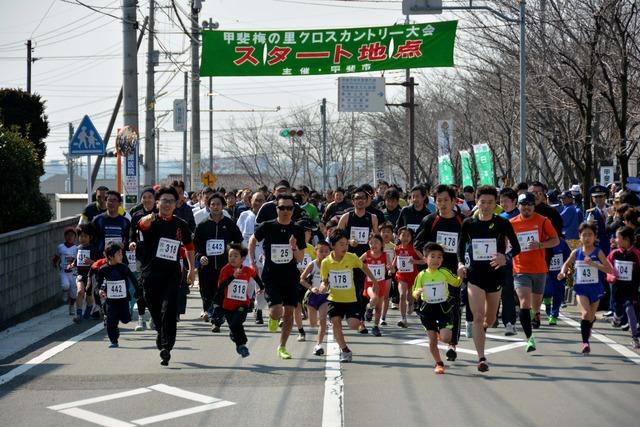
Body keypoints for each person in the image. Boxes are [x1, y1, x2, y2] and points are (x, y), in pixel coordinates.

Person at [457, 185, 521, 372]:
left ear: (496, 204)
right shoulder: (469, 223)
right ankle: (481, 358)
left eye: (490, 203)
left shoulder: (502, 223)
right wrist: (461, 264)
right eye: (482, 202)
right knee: (477, 316)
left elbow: (516, 247)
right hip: (475, 275)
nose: (486, 206)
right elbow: (460, 249)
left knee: (490, 318)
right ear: (477, 202)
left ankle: (484, 327)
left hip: (495, 275)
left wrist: (505, 258)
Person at [136, 186, 196, 366]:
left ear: (176, 204)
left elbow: (190, 247)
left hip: (172, 274)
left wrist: (192, 269)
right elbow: (142, 225)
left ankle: (166, 347)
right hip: (151, 273)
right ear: (157, 203)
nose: (168, 204)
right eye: (164, 201)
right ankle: (161, 334)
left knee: (169, 310)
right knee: (155, 310)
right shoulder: (151, 220)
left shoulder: (180, 224)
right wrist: (148, 218)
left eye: (171, 201)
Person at [249, 193, 306, 359]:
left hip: (290, 276)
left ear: (293, 210)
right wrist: (252, 262)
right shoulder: (268, 226)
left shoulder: (297, 229)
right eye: (282, 208)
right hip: (271, 276)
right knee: (276, 311)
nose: (286, 211)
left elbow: (301, 258)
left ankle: (282, 347)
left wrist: (294, 248)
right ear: (277, 209)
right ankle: (273, 318)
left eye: (289, 208)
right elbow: (252, 240)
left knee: (289, 312)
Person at [414, 184, 465, 359]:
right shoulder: (430, 220)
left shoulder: (462, 221)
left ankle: (452, 344)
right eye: (439, 201)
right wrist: (434, 249)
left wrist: (463, 264)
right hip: (432, 273)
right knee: (431, 305)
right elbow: (417, 243)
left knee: (454, 306)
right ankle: (433, 330)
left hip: (453, 271)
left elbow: (468, 245)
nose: (442, 204)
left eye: (445, 200)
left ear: (453, 201)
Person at [318, 229, 381, 362]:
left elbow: (364, 267)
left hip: (350, 299)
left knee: (353, 325)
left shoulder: (351, 257)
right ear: (333, 246)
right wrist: (323, 287)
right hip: (334, 299)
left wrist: (374, 281)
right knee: (336, 322)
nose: (345, 247)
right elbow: (325, 280)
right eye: (341, 244)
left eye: (346, 244)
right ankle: (345, 350)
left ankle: (364, 315)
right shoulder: (326, 262)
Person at [510, 192, 560, 352]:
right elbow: (504, 243)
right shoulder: (511, 223)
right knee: (524, 302)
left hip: (539, 269)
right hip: (520, 269)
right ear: (518, 206)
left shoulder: (543, 221)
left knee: (535, 305)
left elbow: (555, 240)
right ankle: (529, 338)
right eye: (523, 204)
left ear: (534, 206)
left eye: (530, 205)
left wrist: (540, 245)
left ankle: (536, 313)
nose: (526, 208)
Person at [558, 222, 614, 354]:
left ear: (595, 237)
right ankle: (585, 343)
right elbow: (566, 264)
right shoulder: (576, 252)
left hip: (595, 288)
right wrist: (562, 272)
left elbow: (609, 269)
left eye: (590, 235)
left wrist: (594, 264)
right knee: (585, 314)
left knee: (591, 316)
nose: (587, 238)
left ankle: (588, 325)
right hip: (581, 288)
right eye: (584, 235)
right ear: (580, 236)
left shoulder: (598, 252)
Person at [194, 192, 244, 330]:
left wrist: (234, 254)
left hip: (224, 266)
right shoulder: (202, 225)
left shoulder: (229, 223)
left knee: (220, 292)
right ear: (208, 206)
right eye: (212, 204)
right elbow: (196, 245)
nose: (215, 207)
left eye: (218, 204)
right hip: (206, 266)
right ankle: (211, 313)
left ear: (223, 206)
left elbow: (239, 240)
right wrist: (200, 257)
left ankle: (216, 320)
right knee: (207, 293)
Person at [413, 243, 462, 374]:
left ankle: (442, 332)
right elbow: (414, 291)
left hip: (443, 308)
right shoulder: (422, 275)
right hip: (427, 309)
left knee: (446, 338)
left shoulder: (444, 272)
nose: (436, 260)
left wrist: (461, 274)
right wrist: (417, 292)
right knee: (432, 339)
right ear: (425, 259)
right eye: (432, 256)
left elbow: (456, 282)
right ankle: (439, 363)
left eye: (439, 257)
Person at [338, 186, 379, 334]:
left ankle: (361, 319)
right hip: (349, 259)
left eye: (363, 198)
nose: (360, 201)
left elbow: (377, 239)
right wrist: (349, 242)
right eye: (357, 198)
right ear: (353, 201)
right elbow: (336, 237)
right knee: (352, 288)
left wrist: (372, 241)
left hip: (366, 259)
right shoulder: (346, 217)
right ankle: (348, 315)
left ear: (367, 200)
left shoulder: (372, 217)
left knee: (363, 289)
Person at [211, 243, 264, 357]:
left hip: (242, 304)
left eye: (235, 256)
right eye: (230, 256)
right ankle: (238, 342)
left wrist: (262, 287)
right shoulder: (225, 269)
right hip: (228, 306)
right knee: (234, 327)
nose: (232, 258)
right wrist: (233, 277)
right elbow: (221, 286)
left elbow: (255, 276)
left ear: (242, 258)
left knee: (236, 323)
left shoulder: (247, 270)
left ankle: (242, 345)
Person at [97, 242, 138, 348]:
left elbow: (134, 280)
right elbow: (99, 284)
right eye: (119, 254)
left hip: (123, 299)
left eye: (121, 254)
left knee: (126, 319)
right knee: (111, 320)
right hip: (110, 300)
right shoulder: (103, 269)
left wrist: (138, 290)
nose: (121, 256)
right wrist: (100, 291)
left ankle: (117, 321)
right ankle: (113, 340)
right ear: (110, 256)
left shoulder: (124, 268)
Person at [606, 226, 640, 348]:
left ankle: (635, 337)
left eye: (617, 237)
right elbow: (607, 268)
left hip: (631, 289)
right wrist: (610, 277)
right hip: (617, 289)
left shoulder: (636, 254)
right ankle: (616, 317)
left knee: (629, 308)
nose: (615, 240)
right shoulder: (614, 254)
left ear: (626, 240)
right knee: (619, 310)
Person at [129, 187, 157, 331]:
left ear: (155, 200)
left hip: (158, 257)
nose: (147, 200)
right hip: (141, 256)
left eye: (150, 197)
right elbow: (132, 234)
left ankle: (153, 317)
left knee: (155, 288)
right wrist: (132, 242)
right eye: (144, 197)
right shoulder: (137, 215)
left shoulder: (160, 215)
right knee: (141, 287)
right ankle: (141, 319)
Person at [236, 191, 266, 323]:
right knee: (247, 284)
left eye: (261, 200)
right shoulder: (244, 215)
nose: (258, 203)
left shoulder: (268, 217)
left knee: (261, 286)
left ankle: (258, 310)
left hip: (262, 257)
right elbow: (238, 236)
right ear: (250, 201)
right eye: (256, 200)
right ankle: (243, 306)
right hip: (247, 257)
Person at [300, 240, 331, 355]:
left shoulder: (331, 264)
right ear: (315, 252)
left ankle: (318, 345)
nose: (324, 254)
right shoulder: (312, 264)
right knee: (313, 323)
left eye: (326, 251)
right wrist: (311, 288)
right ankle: (318, 329)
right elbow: (302, 279)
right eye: (321, 251)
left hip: (325, 297)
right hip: (312, 296)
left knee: (322, 320)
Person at [393, 227, 425, 328]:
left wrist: (415, 261)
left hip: (413, 276)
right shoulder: (397, 248)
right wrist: (391, 268)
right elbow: (395, 260)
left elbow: (424, 260)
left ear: (411, 237)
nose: (405, 238)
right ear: (399, 236)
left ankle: (411, 304)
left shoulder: (414, 248)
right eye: (403, 235)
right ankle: (403, 318)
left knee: (410, 297)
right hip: (401, 276)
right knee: (402, 295)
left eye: (408, 235)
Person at [498, 187, 519, 336]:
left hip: (520, 260)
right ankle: (500, 320)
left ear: (515, 201)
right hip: (503, 259)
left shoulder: (522, 215)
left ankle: (510, 322)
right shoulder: (500, 218)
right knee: (503, 292)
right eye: (501, 201)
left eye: (506, 201)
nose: (503, 204)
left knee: (509, 292)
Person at [360, 234, 389, 336]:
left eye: (376, 242)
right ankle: (369, 308)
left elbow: (389, 266)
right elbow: (358, 262)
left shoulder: (385, 255)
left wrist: (390, 268)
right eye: (371, 243)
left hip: (381, 283)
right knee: (374, 298)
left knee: (379, 307)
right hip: (369, 283)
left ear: (381, 244)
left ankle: (375, 327)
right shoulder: (367, 254)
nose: (373, 245)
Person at [71, 224, 101, 323]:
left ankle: (89, 307)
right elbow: (77, 260)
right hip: (80, 274)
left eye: (85, 236)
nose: (82, 238)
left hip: (90, 275)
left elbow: (99, 263)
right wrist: (72, 264)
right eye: (81, 236)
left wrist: (92, 262)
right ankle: (78, 314)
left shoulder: (94, 249)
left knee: (88, 295)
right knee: (79, 292)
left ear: (90, 237)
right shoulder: (78, 248)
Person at [544, 235, 571, 325]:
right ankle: (547, 302)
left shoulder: (562, 242)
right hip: (546, 273)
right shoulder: (542, 241)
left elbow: (569, 256)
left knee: (558, 293)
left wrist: (567, 269)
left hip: (559, 273)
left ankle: (554, 315)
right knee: (548, 291)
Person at [53, 226, 78, 316]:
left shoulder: (76, 248)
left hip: (73, 272)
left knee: (74, 294)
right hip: (64, 271)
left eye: (72, 235)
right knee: (65, 285)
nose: (70, 237)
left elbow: (78, 260)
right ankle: (64, 291)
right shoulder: (60, 247)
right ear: (65, 236)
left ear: (75, 237)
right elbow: (56, 257)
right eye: (68, 235)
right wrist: (54, 263)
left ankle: (71, 306)